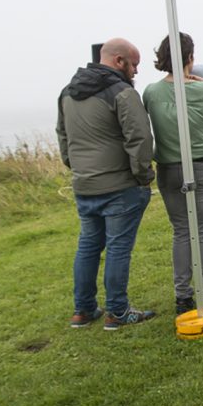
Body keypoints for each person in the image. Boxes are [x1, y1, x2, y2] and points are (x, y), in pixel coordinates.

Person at [56, 37, 156, 330]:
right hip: (120, 187)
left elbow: (63, 136)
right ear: (118, 61)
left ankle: (83, 310)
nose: (136, 71)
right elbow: (139, 138)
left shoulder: (67, 92)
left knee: (87, 247)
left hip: (85, 184)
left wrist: (77, 167)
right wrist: (143, 176)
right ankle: (118, 311)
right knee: (117, 248)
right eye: (134, 64)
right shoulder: (122, 93)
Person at [143, 33, 203, 315]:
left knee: (181, 231)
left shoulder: (151, 93)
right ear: (190, 57)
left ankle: (182, 295)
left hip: (169, 166)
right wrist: (198, 79)